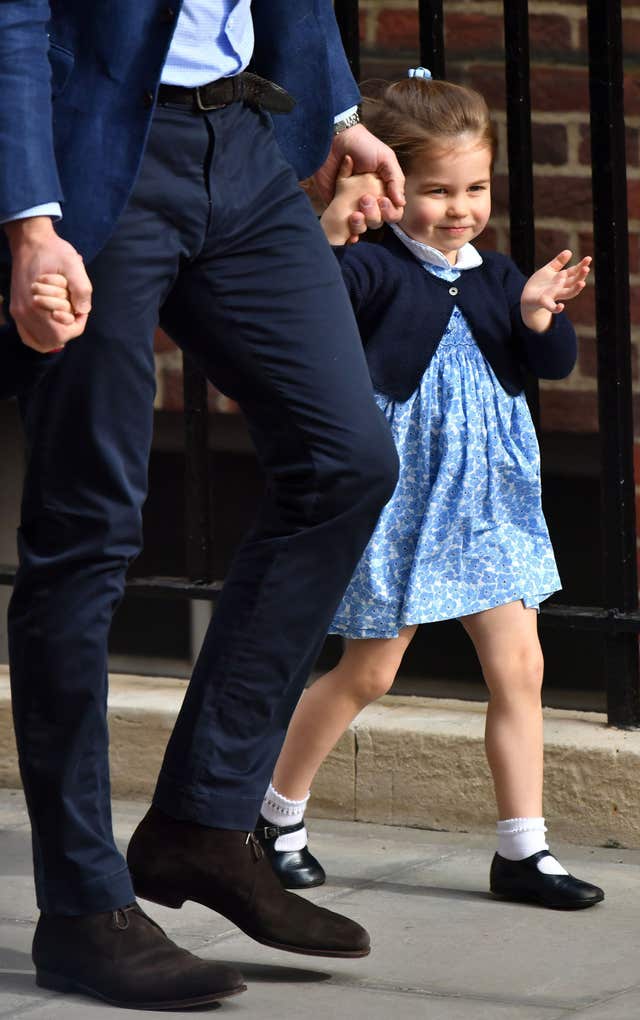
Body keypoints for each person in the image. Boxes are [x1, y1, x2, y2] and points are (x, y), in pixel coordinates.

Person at [0, 3, 404, 1010]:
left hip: (242, 147)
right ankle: (84, 908)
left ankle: (202, 824)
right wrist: (29, 224)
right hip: (93, 153)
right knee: (86, 529)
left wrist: (337, 110)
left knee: (344, 460)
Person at [255, 69, 605, 913]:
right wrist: (332, 235)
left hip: (490, 500)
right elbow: (314, 316)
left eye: (477, 187)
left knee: (521, 666)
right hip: (404, 495)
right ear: (391, 184)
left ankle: (524, 849)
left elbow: (549, 368)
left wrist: (534, 316)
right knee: (370, 673)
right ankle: (273, 817)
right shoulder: (373, 268)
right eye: (439, 190)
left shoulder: (497, 274)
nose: (461, 209)